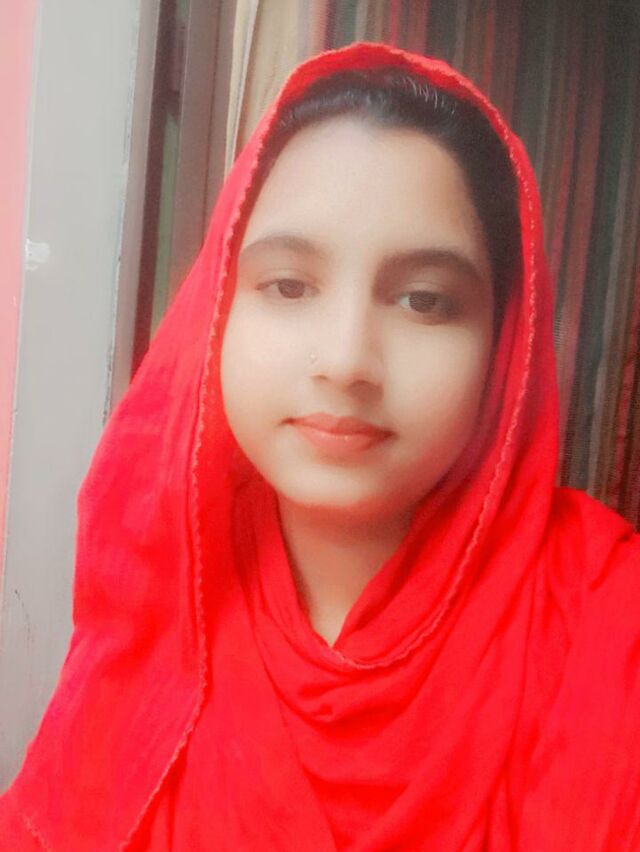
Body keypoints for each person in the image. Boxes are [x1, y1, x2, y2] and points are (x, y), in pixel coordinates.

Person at [0, 41, 639, 851]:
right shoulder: (160, 585)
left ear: (503, 344)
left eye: (424, 300)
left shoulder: (605, 626)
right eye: (289, 285)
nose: (345, 360)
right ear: (218, 307)